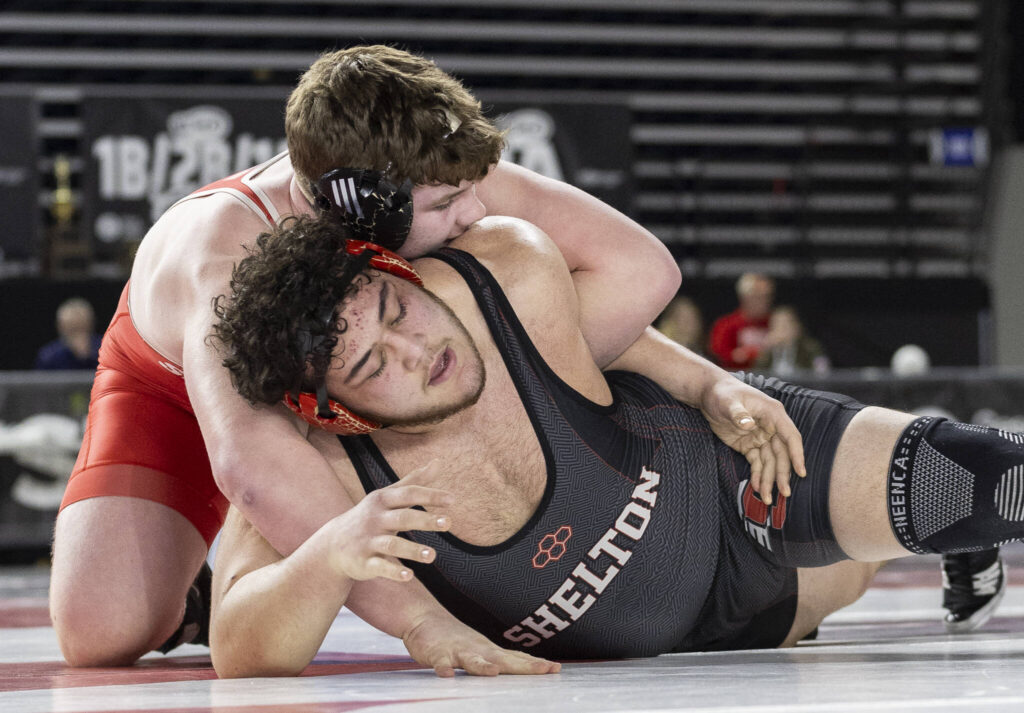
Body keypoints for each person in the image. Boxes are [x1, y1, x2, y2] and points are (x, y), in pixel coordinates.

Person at [47, 44, 724, 674]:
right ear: (368, 210)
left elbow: (640, 270)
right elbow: (251, 464)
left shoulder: (416, 171)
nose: (477, 208)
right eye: (450, 201)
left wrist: (549, 376)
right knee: (99, 631)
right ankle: (193, 596)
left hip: (352, 375)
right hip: (170, 389)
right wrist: (421, 623)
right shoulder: (223, 257)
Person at [204, 214, 1024, 677]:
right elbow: (238, 644)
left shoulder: (496, 271)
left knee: (975, 483)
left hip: (730, 463)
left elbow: (610, 330)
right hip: (720, 623)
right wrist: (329, 558)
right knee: (854, 567)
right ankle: (945, 534)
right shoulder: (317, 475)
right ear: (335, 409)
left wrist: (711, 385)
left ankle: (953, 515)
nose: (420, 349)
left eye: (395, 309)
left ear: (392, 267)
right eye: (374, 364)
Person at [709, 273, 775, 370]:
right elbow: (720, 356)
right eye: (758, 296)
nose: (765, 301)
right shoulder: (726, 325)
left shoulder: (776, 322)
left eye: (767, 296)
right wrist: (755, 353)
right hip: (737, 379)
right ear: (745, 297)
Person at [754, 305, 829, 376]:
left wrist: (789, 344)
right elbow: (758, 374)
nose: (781, 330)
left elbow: (822, 373)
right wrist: (765, 350)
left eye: (785, 326)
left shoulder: (809, 347)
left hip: (802, 387)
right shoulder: (769, 349)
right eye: (777, 326)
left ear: (796, 327)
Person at [35, 297, 102, 371]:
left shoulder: (107, 349)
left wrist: (89, 357)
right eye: (72, 329)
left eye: (81, 327)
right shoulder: (48, 355)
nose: (77, 335)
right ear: (60, 327)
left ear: (91, 324)